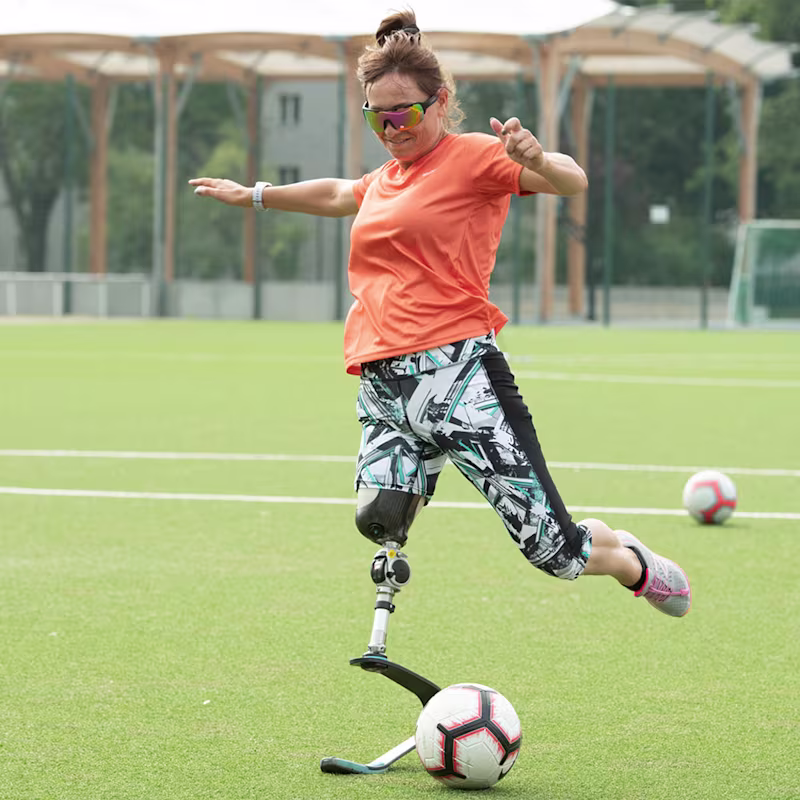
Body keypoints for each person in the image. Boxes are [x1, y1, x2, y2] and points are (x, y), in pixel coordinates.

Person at [190, 10, 691, 619]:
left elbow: (572, 181)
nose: (390, 128)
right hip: (383, 384)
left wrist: (537, 158)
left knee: (554, 552)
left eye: (403, 113)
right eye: (376, 116)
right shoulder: (385, 179)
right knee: (379, 515)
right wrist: (256, 195)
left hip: (460, 379)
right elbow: (339, 193)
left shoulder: (473, 158)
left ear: (440, 102)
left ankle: (630, 560)